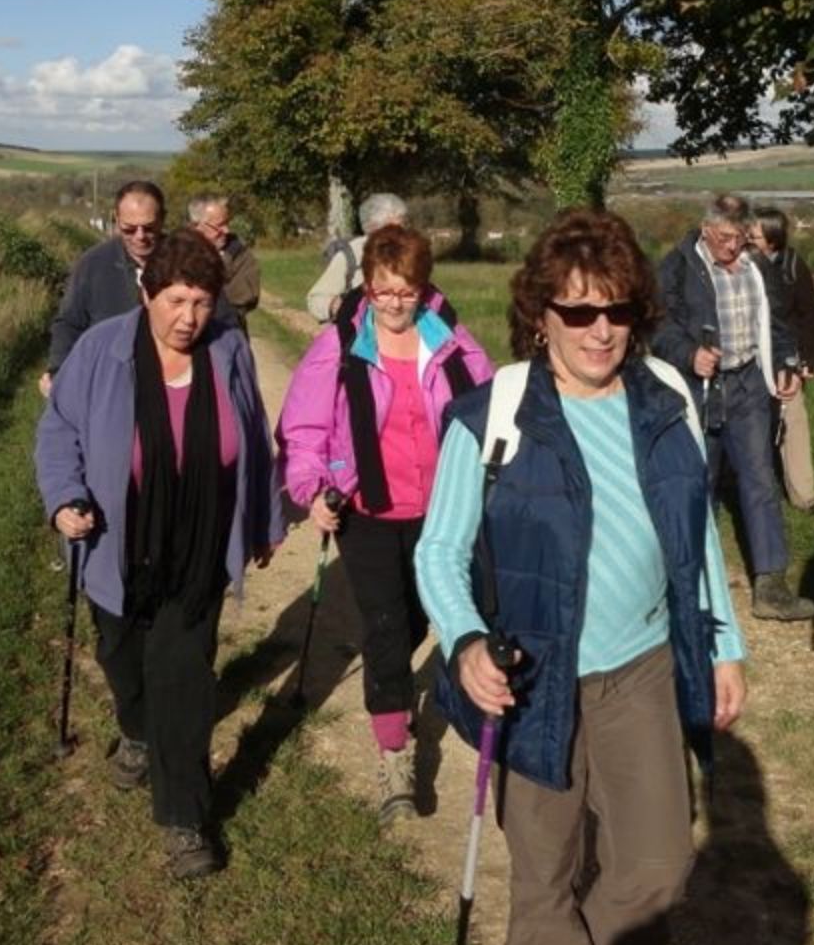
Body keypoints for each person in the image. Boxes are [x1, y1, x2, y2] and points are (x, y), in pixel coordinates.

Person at [417, 209, 747, 945]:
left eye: (618, 310)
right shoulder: (493, 417)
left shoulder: (665, 397)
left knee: (658, 867)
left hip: (641, 668)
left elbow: (694, 532)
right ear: (541, 317)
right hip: (533, 679)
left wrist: (725, 643)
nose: (601, 331)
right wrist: (466, 642)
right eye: (578, 311)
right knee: (544, 886)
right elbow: (438, 551)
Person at [35, 227, 285, 880]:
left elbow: (254, 434)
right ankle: (138, 729)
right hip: (117, 540)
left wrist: (264, 518)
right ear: (147, 292)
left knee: (182, 679)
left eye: (202, 302)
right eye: (176, 300)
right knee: (123, 661)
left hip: (199, 543)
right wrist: (64, 497)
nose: (189, 317)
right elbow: (59, 429)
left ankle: (184, 818)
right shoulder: (101, 349)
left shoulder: (228, 349)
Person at [276, 223, 493, 820]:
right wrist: (313, 489)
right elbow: (305, 430)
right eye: (383, 291)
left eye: (407, 291)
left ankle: (398, 685)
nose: (395, 304)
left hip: (442, 514)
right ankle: (394, 751)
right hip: (367, 511)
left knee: (425, 617)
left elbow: (491, 408)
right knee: (387, 625)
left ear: (425, 287)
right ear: (366, 285)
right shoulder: (341, 345)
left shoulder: (452, 342)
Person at [651, 194, 812, 622]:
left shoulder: (756, 264)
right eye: (724, 237)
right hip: (701, 388)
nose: (733, 245)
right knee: (697, 480)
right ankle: (688, 580)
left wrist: (785, 363)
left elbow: (777, 321)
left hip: (748, 384)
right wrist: (689, 354)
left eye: (740, 237)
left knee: (760, 478)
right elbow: (658, 325)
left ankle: (771, 587)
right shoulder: (678, 266)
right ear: (706, 230)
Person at [42, 180, 164, 398]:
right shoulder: (92, 264)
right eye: (129, 229)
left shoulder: (185, 260)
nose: (140, 236)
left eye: (149, 228)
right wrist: (59, 373)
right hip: (107, 384)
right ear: (116, 219)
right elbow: (69, 323)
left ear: (163, 219)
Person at [752, 205, 814, 512]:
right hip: (750, 354)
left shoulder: (794, 267)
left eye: (754, 235)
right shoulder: (740, 264)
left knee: (792, 421)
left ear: (772, 238)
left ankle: (804, 495)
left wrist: (807, 358)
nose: (748, 239)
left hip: (786, 357)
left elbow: (809, 315)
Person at [305, 192, 408, 322]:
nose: (401, 236)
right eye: (393, 230)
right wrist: (336, 305)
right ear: (372, 229)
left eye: (403, 228)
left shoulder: (410, 253)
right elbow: (316, 299)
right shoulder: (352, 254)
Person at [188, 191, 261, 329]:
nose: (226, 230)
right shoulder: (176, 252)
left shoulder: (239, 253)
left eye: (227, 223)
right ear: (196, 226)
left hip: (227, 331)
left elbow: (245, 299)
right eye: (219, 225)